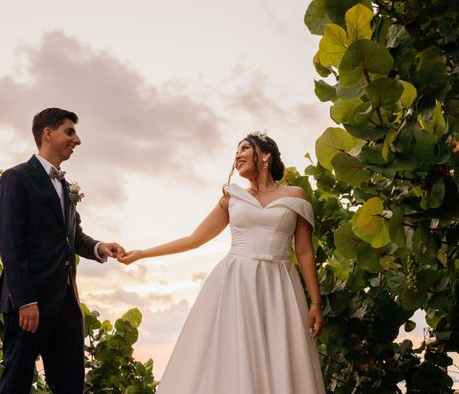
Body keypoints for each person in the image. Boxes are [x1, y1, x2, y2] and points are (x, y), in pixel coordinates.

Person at [118, 131, 326, 393]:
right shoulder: (232, 198)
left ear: (265, 155)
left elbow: (305, 251)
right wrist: (142, 253)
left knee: (280, 355)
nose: (237, 155)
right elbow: (194, 239)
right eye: (236, 152)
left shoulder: (296, 196)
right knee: (234, 358)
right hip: (236, 284)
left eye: (244, 148)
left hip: (279, 286)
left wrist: (315, 303)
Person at [0, 107, 125, 394]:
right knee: (16, 381)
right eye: (70, 131)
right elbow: (11, 244)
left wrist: (100, 247)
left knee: (70, 384)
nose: (77, 140)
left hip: (66, 303)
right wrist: (25, 300)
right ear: (47, 133)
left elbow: (73, 237)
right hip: (30, 303)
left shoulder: (66, 187)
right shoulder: (16, 178)